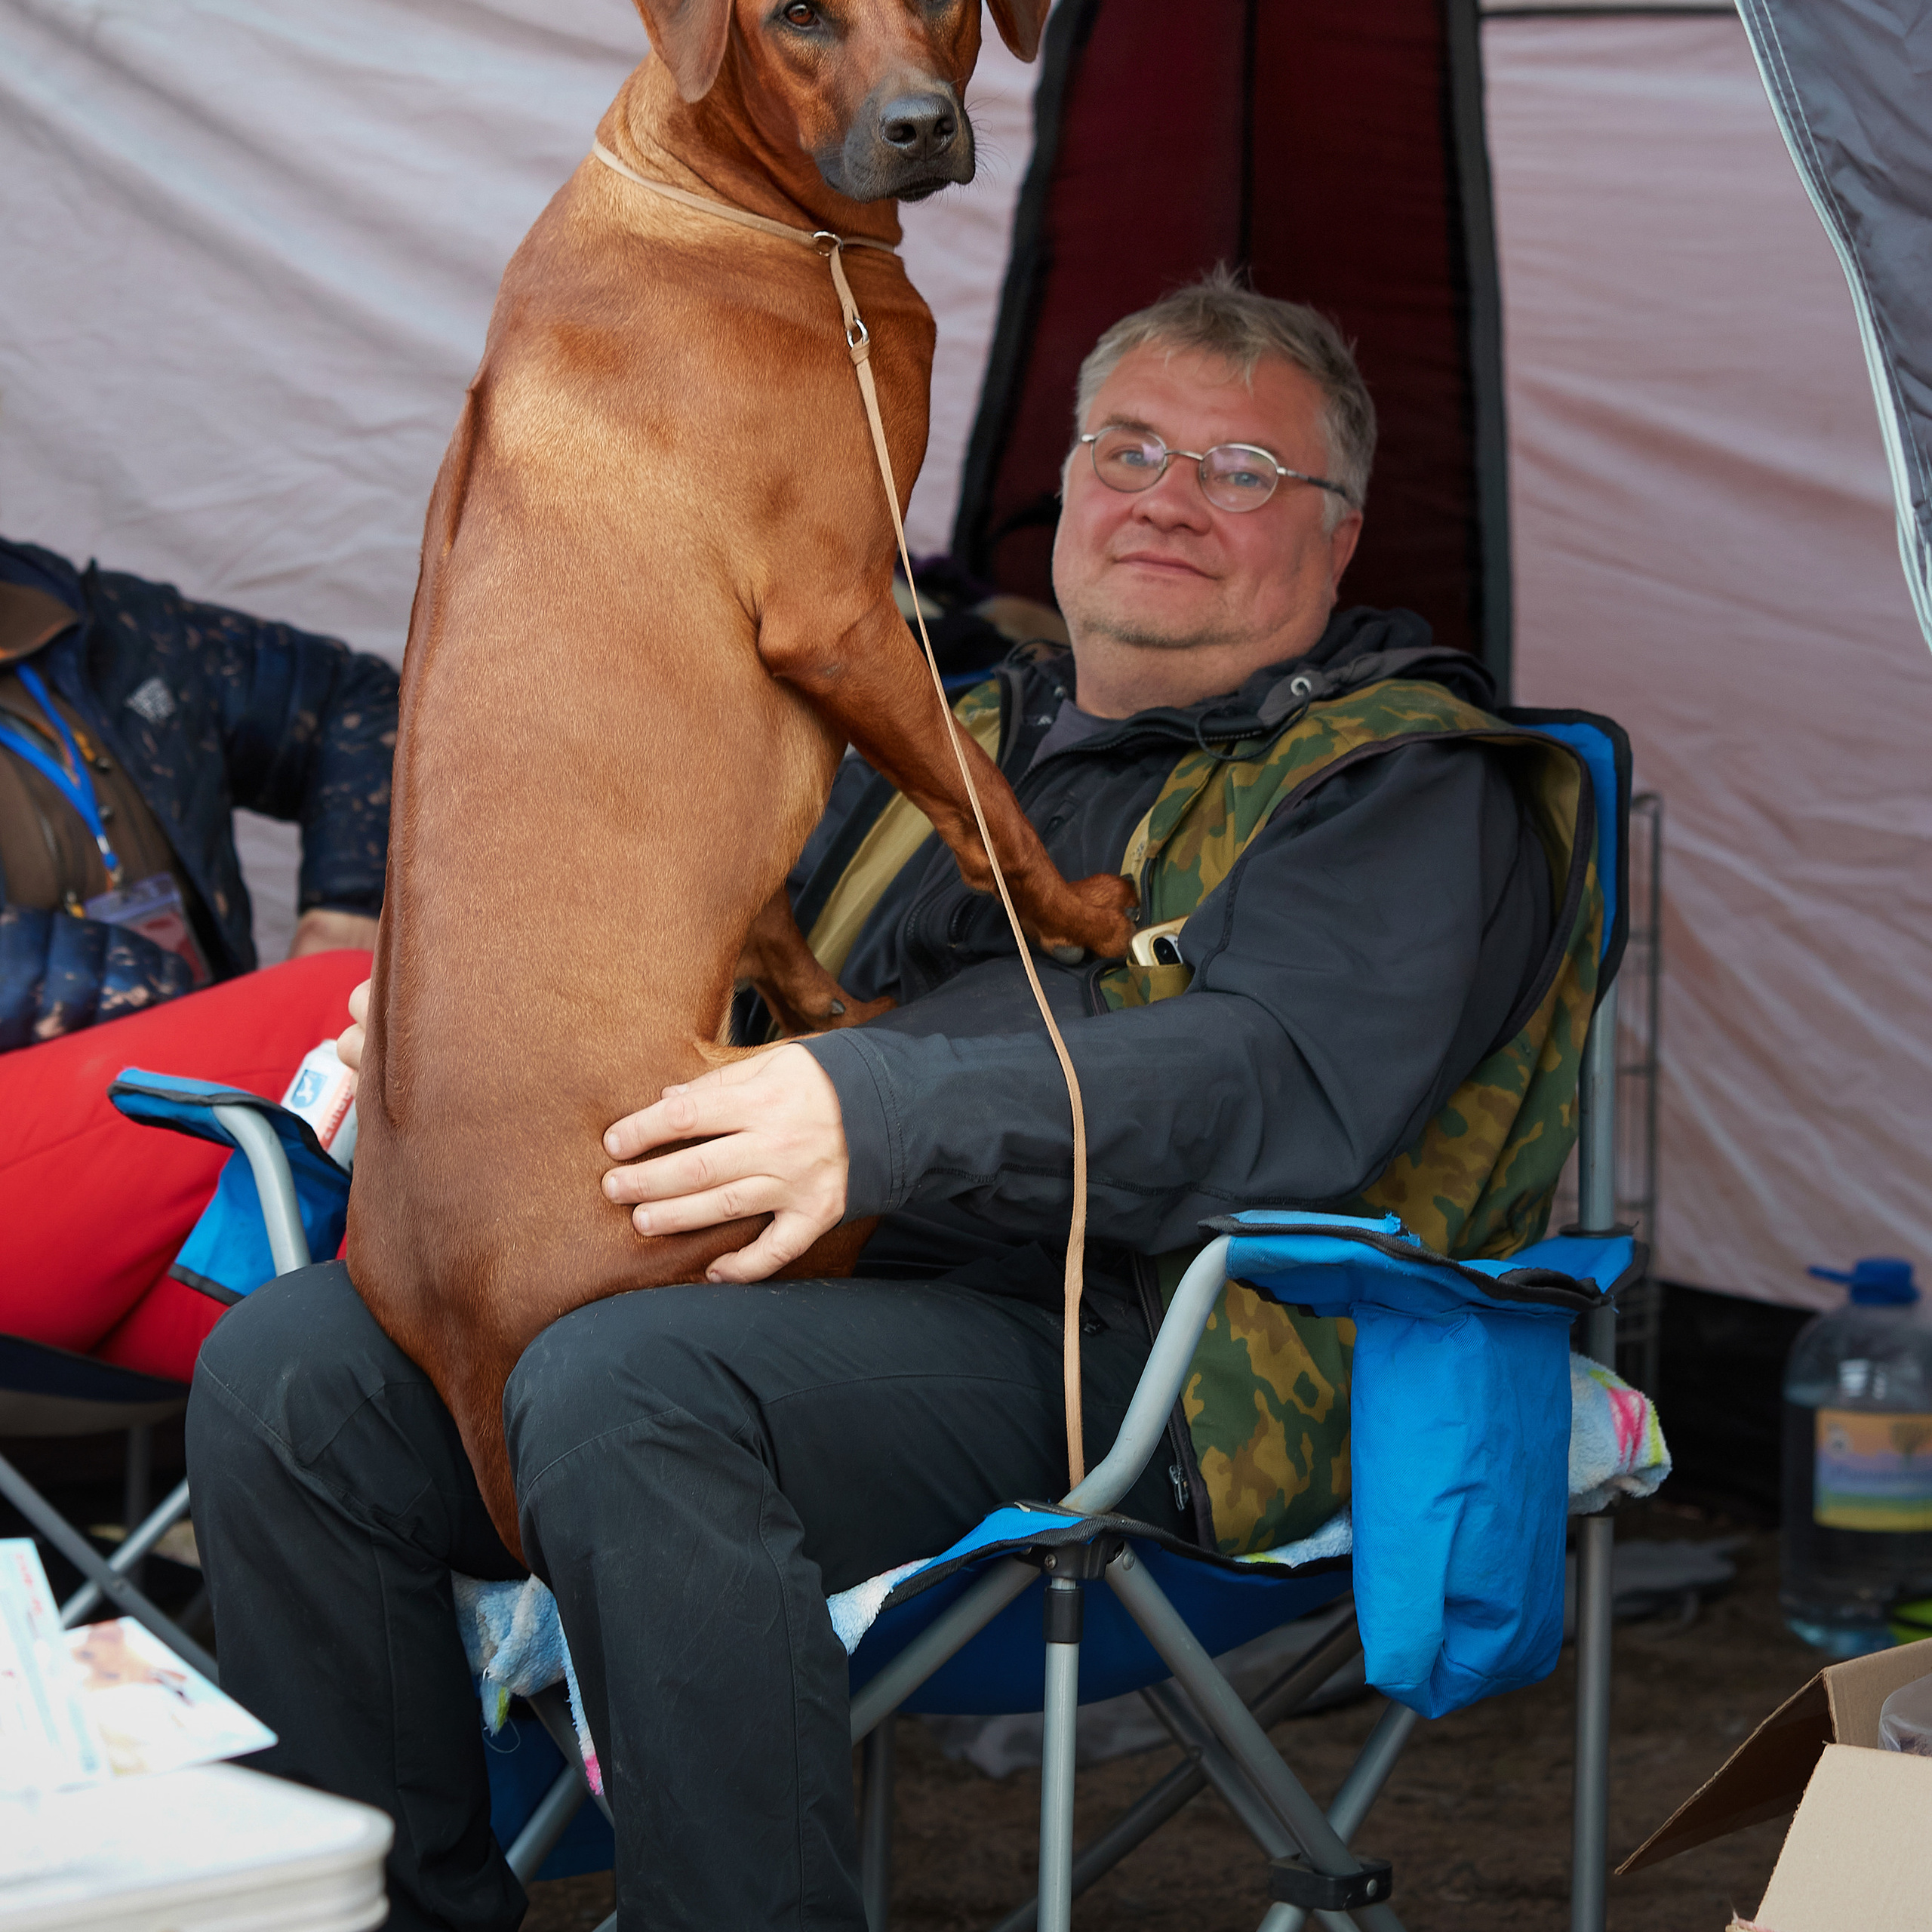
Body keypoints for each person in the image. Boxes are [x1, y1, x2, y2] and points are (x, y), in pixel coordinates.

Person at [188, 272, 1598, 1930]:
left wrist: (874, 1110)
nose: (1166, 499)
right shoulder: (949, 728)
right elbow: (713, 972)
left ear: (1339, 533)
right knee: (295, 1374)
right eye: (1129, 450)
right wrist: (481, 1038)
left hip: (1157, 1343)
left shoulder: (1408, 779)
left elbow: (1271, 1078)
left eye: (1240, 471)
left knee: (630, 1386)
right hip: (800, 1281)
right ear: (1065, 485)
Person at [0, 537, 398, 1380]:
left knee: (366, 1308)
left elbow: (356, 701)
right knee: (349, 1009)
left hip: (140, 1208)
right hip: (44, 1157)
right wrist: (152, 984)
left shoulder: (106, 625)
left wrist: (351, 895)